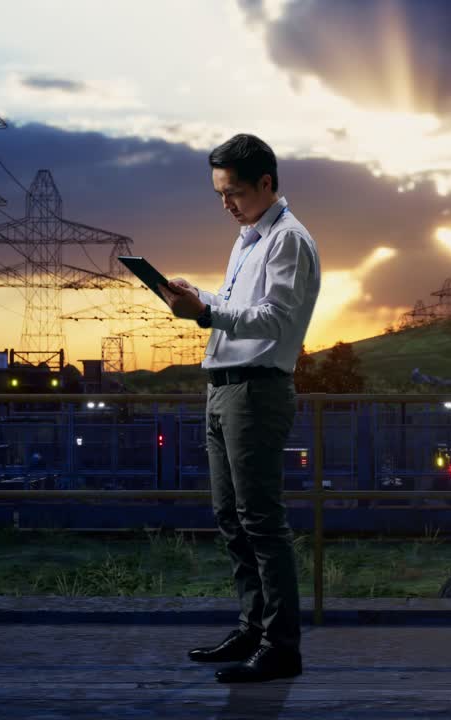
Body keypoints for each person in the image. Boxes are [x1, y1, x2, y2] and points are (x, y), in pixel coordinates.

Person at [157, 133, 321, 683]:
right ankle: (254, 629)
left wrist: (205, 314)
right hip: (223, 386)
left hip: (257, 389)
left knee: (262, 522)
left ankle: (281, 647)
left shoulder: (288, 241)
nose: (226, 204)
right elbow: (236, 306)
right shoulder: (249, 239)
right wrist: (198, 296)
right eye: (220, 194)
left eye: (234, 193)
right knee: (231, 519)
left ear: (267, 184)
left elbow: (273, 319)